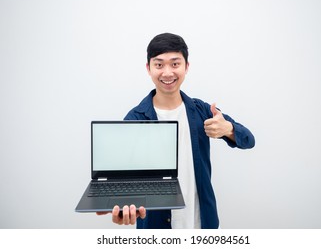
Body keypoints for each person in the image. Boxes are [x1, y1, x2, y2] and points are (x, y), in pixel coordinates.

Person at [97, 33, 255, 228]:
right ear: (148, 68)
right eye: (159, 64)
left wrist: (228, 129)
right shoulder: (135, 119)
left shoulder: (203, 111)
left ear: (186, 66)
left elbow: (249, 140)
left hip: (202, 225)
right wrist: (122, 209)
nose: (167, 73)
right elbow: (124, 180)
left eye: (175, 64)